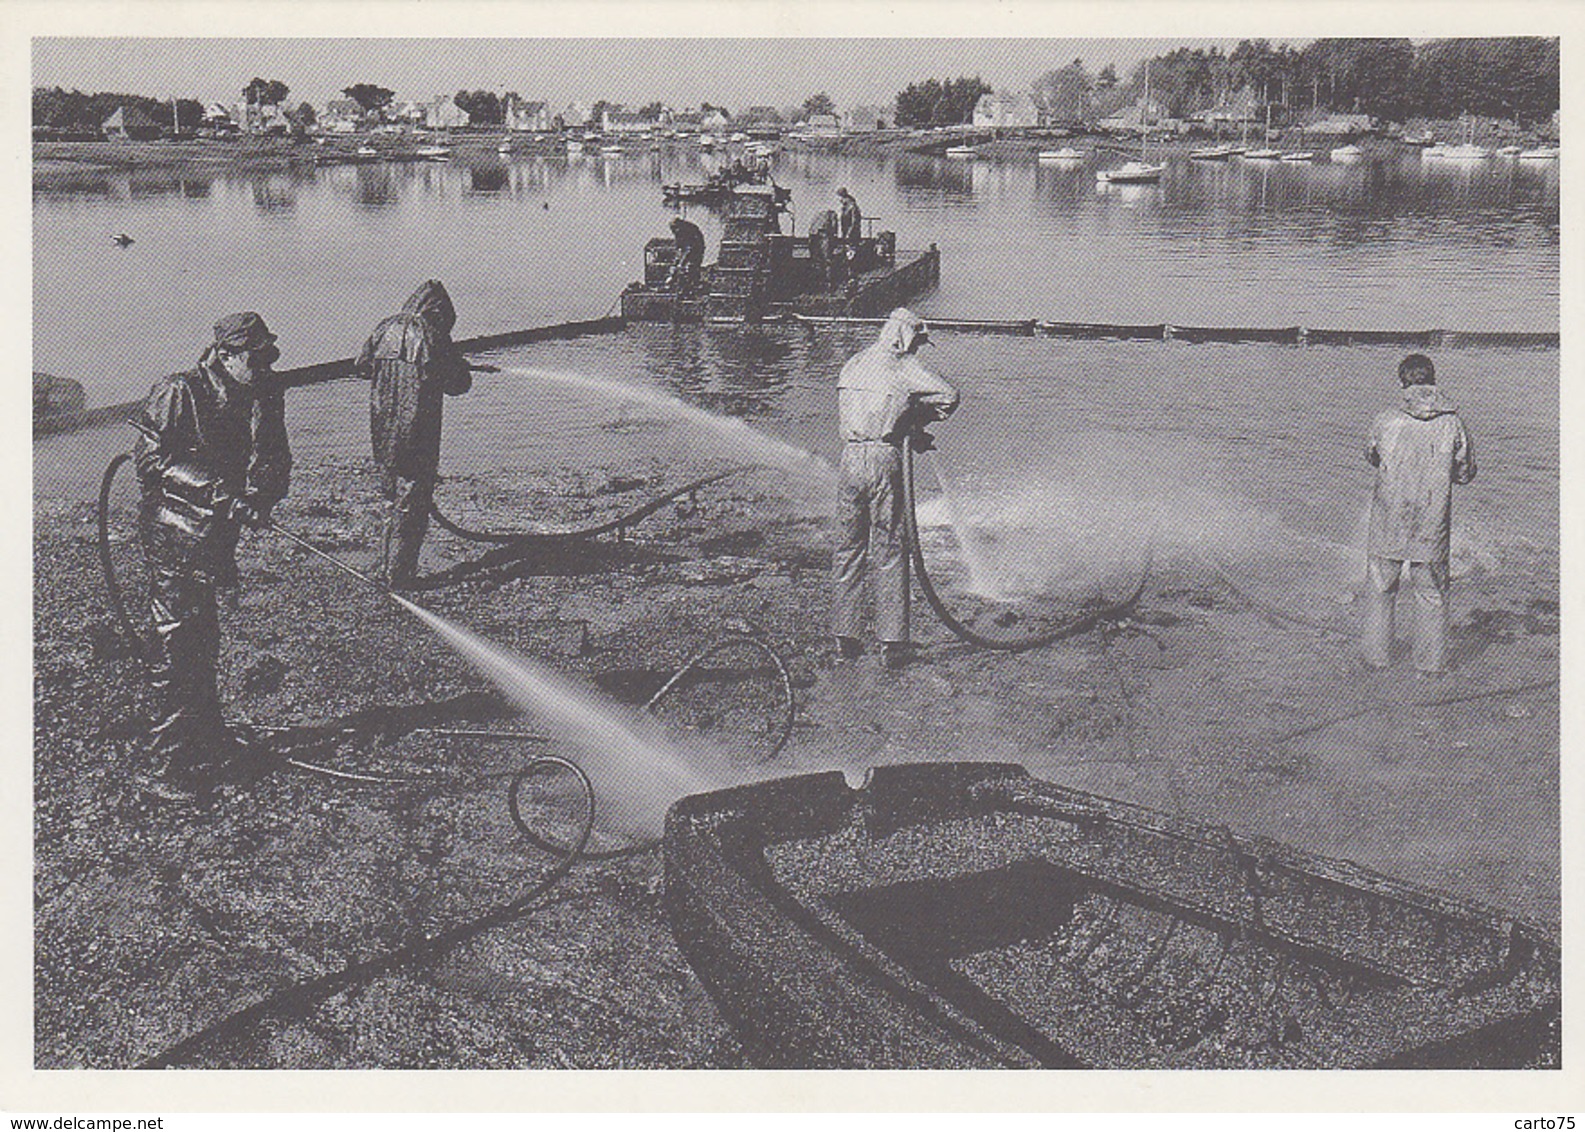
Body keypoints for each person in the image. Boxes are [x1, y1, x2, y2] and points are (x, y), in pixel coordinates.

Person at [133, 312, 291, 800]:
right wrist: (223, 494)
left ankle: (206, 736)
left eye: (267, 357)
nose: (263, 366)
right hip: (174, 536)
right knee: (178, 647)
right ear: (224, 356)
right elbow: (152, 462)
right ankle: (162, 769)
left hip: (214, 537)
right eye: (254, 358)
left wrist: (264, 494)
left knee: (204, 639)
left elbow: (273, 455)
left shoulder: (260, 394)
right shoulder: (179, 390)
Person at [832, 308, 959, 670]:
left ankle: (845, 637)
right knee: (890, 546)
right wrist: (917, 421)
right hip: (883, 458)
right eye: (917, 342)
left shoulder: (854, 363)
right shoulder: (903, 366)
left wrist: (904, 419)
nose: (918, 350)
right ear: (906, 337)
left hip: (849, 458)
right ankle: (892, 643)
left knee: (848, 546)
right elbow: (950, 396)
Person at [1361, 354, 1476, 675]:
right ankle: (1429, 665)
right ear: (1433, 381)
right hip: (1431, 522)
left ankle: (1376, 658)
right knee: (1432, 592)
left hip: (1389, 518)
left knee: (1381, 586)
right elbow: (1466, 473)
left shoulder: (1386, 419)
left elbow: (1371, 455)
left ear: (1402, 382)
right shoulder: (1453, 422)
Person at [357, 280, 473, 589]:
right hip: (418, 433)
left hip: (383, 432)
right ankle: (400, 576)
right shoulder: (432, 334)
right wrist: (459, 365)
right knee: (412, 502)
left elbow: (362, 366)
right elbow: (458, 384)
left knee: (389, 499)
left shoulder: (383, 328)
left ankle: (383, 568)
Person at [807, 208, 845, 288]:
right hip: (824, 235)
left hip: (814, 235)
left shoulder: (817, 216)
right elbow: (834, 228)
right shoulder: (832, 214)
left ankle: (817, 282)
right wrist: (834, 238)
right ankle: (828, 282)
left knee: (816, 260)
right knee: (827, 260)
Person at [667, 217, 705, 294]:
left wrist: (681, 263)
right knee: (681, 265)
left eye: (674, 229)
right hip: (689, 245)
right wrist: (676, 262)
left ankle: (694, 286)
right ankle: (682, 284)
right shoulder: (677, 231)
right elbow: (679, 247)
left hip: (697, 246)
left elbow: (689, 249)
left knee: (692, 266)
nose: (673, 231)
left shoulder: (687, 230)